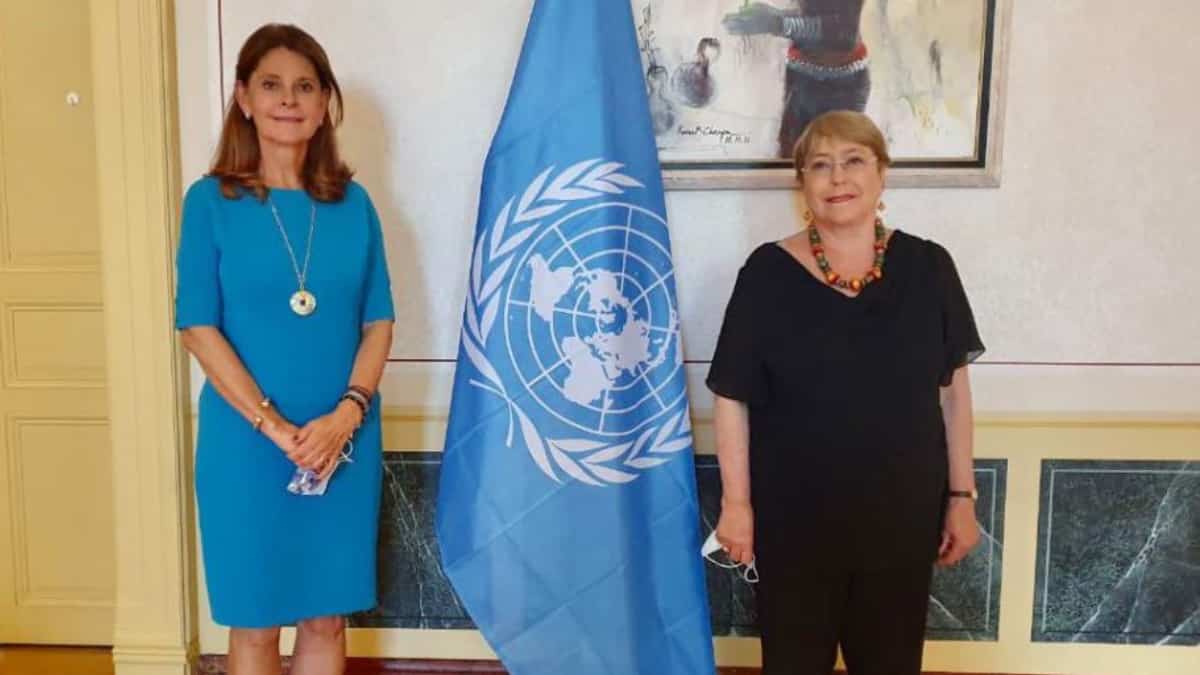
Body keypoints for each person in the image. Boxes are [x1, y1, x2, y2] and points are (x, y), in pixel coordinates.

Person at [707, 110, 983, 675]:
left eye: (854, 161)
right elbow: (731, 396)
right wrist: (737, 507)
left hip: (901, 520)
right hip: (794, 522)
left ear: (882, 176)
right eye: (820, 165)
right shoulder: (765, 273)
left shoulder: (929, 267)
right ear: (802, 185)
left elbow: (953, 392)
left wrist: (962, 498)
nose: (838, 178)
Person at [174, 24, 394, 675]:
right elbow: (197, 326)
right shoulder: (210, 203)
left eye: (305, 86)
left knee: (326, 617)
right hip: (246, 443)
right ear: (244, 97)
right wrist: (275, 426)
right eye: (271, 84)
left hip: (342, 439)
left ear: (325, 102)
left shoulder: (354, 205)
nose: (288, 99)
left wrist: (346, 416)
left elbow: (379, 321)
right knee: (256, 623)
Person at [723, 0, 869, 158]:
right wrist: (773, 16)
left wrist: (776, 23)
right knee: (791, 159)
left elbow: (844, 34)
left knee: (834, 159)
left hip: (840, 88)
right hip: (802, 78)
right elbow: (818, 15)